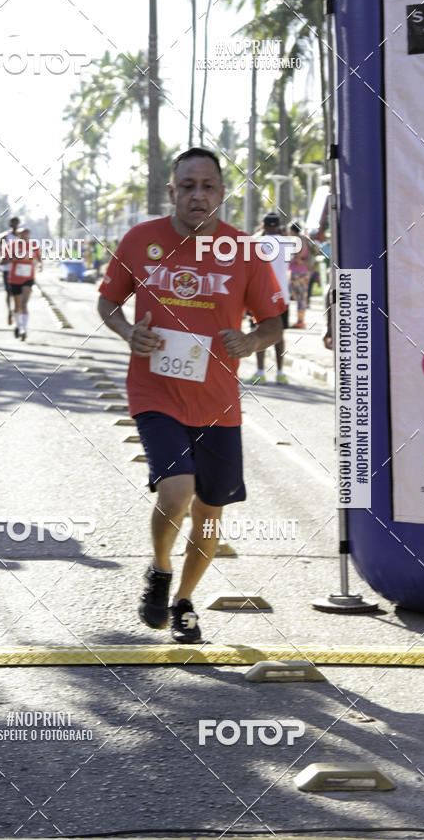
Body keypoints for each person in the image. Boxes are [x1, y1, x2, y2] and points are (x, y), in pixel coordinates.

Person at [98, 147, 285, 643]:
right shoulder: (141, 240)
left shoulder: (245, 251)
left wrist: (251, 340)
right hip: (153, 389)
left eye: (207, 186)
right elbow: (108, 301)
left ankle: (183, 601)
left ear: (222, 194)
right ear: (172, 192)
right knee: (177, 489)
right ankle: (160, 569)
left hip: (218, 399)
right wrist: (127, 332)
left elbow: (273, 322)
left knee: (209, 510)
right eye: (187, 186)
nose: (197, 195)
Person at [246, 213, 290, 385]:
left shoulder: (256, 243)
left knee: (260, 332)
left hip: (260, 295)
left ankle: (260, 371)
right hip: (282, 295)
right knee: (279, 334)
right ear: (279, 226)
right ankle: (280, 373)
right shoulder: (287, 243)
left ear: (263, 226)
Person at [8, 225, 41, 341]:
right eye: (22, 233)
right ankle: (17, 325)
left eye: (26, 232)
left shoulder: (34, 245)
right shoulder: (11, 245)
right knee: (17, 306)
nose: (24, 235)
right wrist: (14, 258)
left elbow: (39, 258)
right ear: (18, 234)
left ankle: (24, 329)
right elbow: (2, 261)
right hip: (14, 279)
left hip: (28, 278)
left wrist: (40, 264)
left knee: (24, 303)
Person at [289, 223, 314, 329]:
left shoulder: (297, 239)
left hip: (297, 271)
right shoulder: (303, 238)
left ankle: (300, 321)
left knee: (299, 296)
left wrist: (297, 257)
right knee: (301, 295)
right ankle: (300, 319)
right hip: (304, 270)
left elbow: (301, 251)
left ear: (292, 230)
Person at [0, 217, 20, 325]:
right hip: (7, 268)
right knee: (8, 292)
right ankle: (9, 311)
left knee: (18, 293)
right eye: (13, 223)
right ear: (10, 224)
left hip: (19, 268)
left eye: (16, 223)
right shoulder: (5, 237)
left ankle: (17, 311)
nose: (14, 225)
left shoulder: (21, 236)